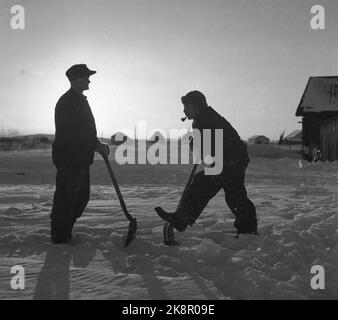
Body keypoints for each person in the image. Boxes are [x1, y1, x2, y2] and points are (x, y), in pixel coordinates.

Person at [156, 90, 257, 235]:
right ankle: (248, 229)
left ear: (196, 106)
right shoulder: (204, 118)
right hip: (230, 160)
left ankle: (182, 217)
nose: (184, 110)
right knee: (233, 196)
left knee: (208, 185)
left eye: (187, 106)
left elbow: (205, 148)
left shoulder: (206, 119)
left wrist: (195, 143)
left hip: (231, 160)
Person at [50, 64, 110, 244]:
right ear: (75, 80)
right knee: (67, 196)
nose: (89, 80)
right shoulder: (68, 102)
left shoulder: (78, 100)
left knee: (80, 197)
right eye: (86, 77)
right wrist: (96, 144)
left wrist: (94, 144)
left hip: (80, 157)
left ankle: (64, 229)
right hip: (70, 158)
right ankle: (60, 235)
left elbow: (85, 130)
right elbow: (75, 132)